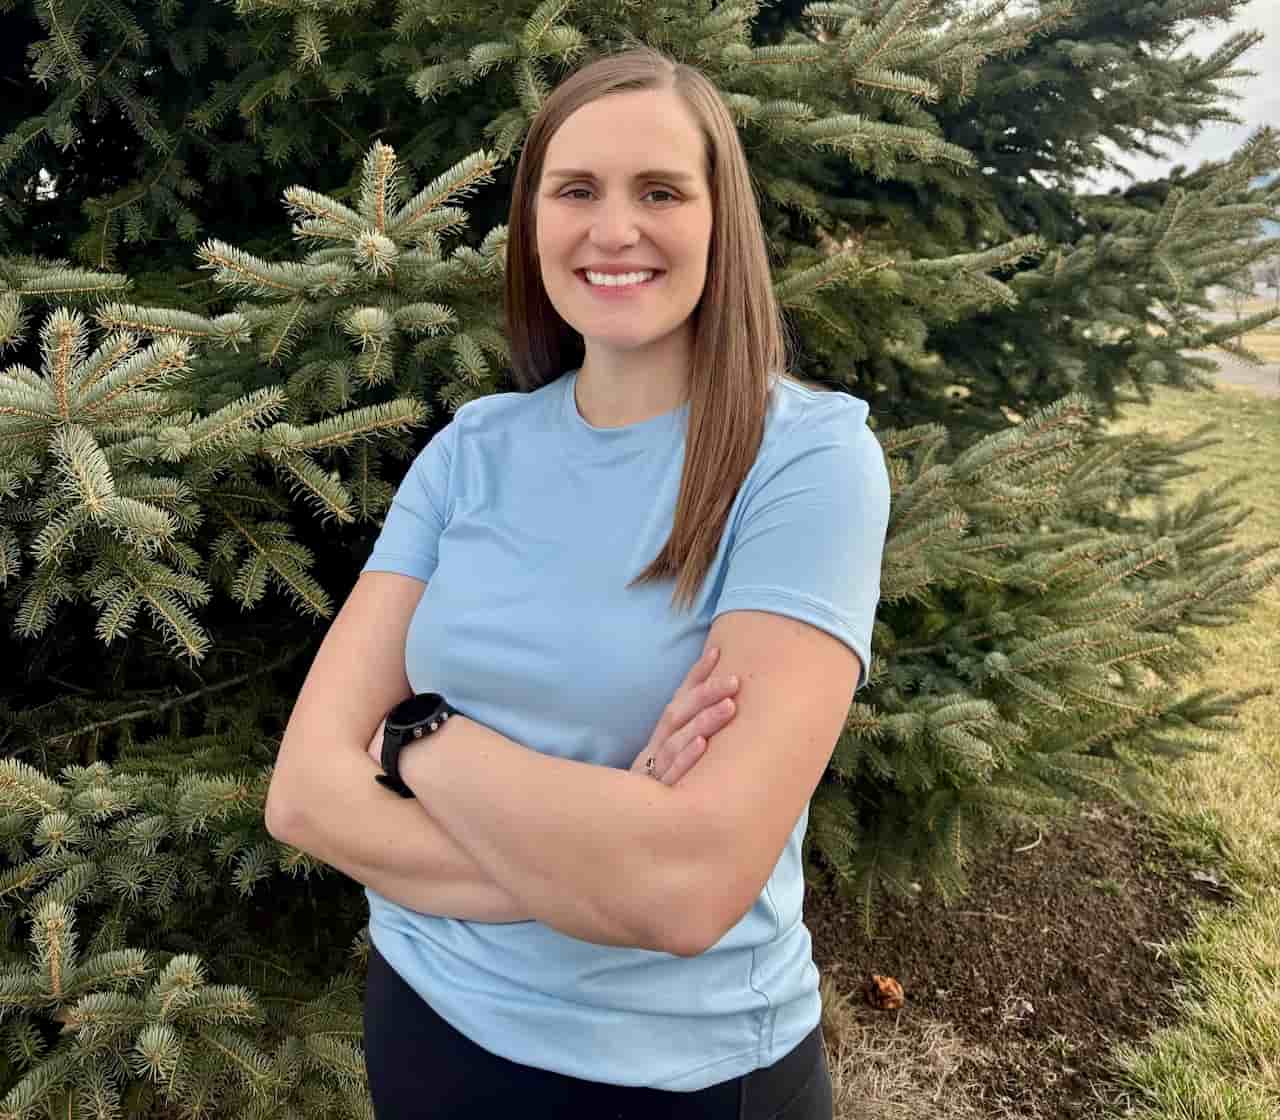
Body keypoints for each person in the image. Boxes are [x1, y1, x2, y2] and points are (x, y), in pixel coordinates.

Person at [265, 44, 891, 1120]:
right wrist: (602, 859)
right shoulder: (473, 449)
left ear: (716, 218)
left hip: (676, 1077)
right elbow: (303, 795)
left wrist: (419, 740)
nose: (613, 229)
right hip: (424, 1026)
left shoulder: (805, 459)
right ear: (533, 222)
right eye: (575, 191)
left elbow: (687, 890)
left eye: (658, 190)